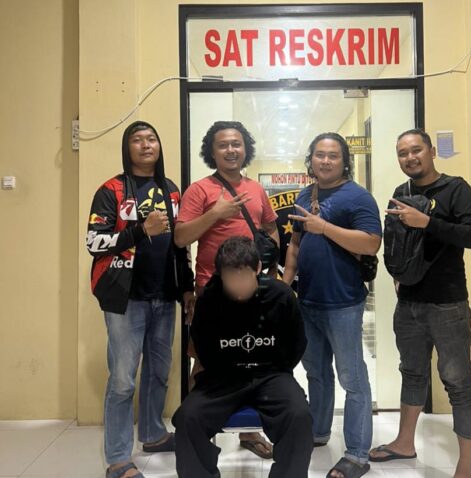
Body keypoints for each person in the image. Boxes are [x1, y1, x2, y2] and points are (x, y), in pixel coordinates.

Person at [369, 129, 471, 478]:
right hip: (409, 304)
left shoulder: (456, 189)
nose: (410, 157)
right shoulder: (400, 193)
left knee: (458, 381)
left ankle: (465, 466)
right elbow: (395, 241)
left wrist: (428, 223)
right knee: (412, 372)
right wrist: (397, 273)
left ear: (432, 151)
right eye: (402, 153)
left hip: (448, 303)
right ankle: (405, 443)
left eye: (416, 150)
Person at [86, 121, 194, 478]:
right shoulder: (111, 190)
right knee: (123, 380)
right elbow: (94, 242)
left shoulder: (172, 190)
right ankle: (118, 459)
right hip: (125, 298)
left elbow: (180, 244)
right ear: (127, 147)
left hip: (164, 296)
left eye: (152, 139)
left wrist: (187, 286)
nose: (146, 145)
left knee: (158, 372)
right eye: (137, 139)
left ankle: (152, 434)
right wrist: (139, 230)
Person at [174, 120, 279, 459]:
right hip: (212, 291)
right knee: (204, 361)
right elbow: (181, 237)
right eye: (223, 145)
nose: (231, 150)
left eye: (236, 144)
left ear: (245, 148)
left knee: (251, 359)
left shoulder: (256, 189)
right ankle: (197, 432)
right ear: (212, 151)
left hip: (253, 292)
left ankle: (249, 433)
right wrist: (215, 214)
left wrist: (271, 271)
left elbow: (270, 228)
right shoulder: (199, 190)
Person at [284, 132, 382, 478]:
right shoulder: (304, 195)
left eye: (333, 155)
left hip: (343, 303)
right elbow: (295, 244)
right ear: (311, 159)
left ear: (344, 161)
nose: (325, 161)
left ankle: (357, 454)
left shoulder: (358, 197)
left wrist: (324, 227)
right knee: (316, 371)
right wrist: (285, 286)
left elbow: (371, 243)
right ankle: (318, 431)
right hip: (307, 300)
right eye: (320, 155)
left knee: (352, 378)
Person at [172, 236, 313, 478]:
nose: (238, 286)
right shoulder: (209, 299)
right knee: (187, 418)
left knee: (299, 416)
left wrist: (275, 370)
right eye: (230, 278)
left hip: (270, 375)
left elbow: (297, 344)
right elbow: (203, 347)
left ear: (257, 268)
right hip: (223, 377)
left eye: (243, 277)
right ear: (220, 275)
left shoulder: (281, 296)